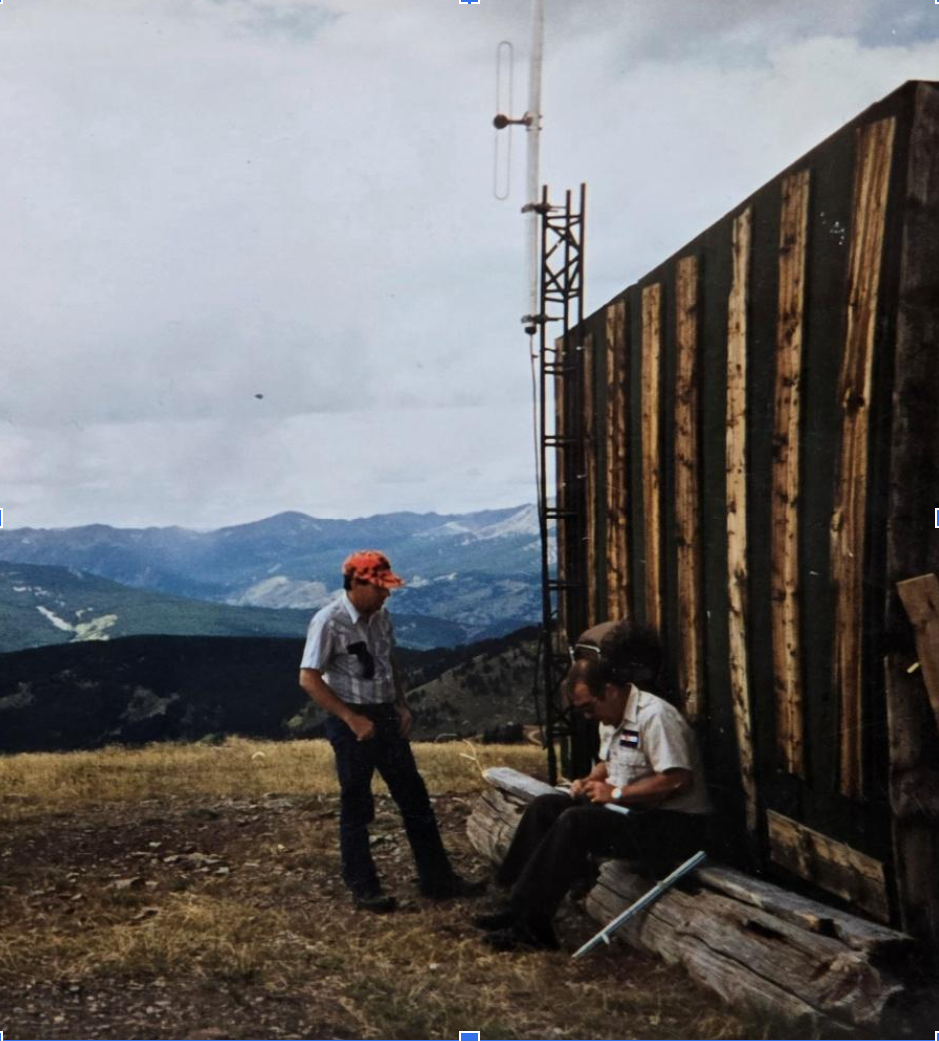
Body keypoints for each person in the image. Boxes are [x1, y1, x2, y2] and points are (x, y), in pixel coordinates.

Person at [475, 620, 711, 951]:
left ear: (611, 692)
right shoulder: (612, 716)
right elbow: (609, 762)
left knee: (576, 823)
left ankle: (532, 926)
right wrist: (590, 780)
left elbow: (677, 778)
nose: (589, 716)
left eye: (589, 707)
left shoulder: (655, 716)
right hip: (636, 813)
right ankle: (512, 903)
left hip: (674, 825)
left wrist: (616, 793)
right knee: (547, 806)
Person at [299, 549, 482, 912]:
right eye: (380, 587)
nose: (386, 594)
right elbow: (308, 677)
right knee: (358, 805)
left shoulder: (381, 618)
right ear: (356, 583)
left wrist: (401, 704)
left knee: (414, 798)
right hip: (351, 720)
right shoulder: (329, 621)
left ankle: (438, 881)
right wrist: (351, 718)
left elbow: (388, 663)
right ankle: (364, 887)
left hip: (384, 715)